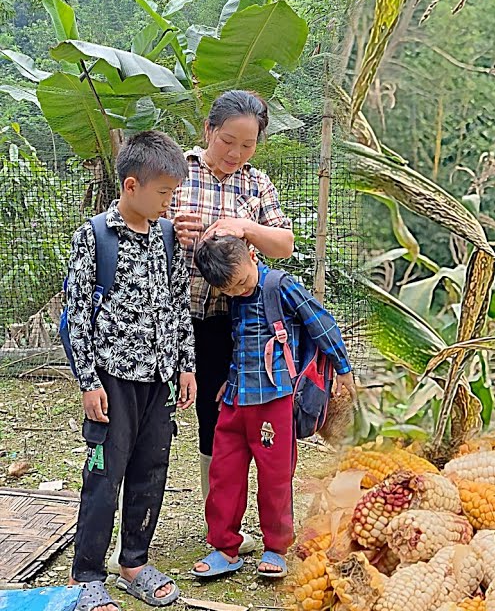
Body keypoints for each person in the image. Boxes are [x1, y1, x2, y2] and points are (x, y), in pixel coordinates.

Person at [63, 131, 197, 611]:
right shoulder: (94, 237)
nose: (169, 202)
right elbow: (77, 314)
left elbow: (178, 303)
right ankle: (88, 575)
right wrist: (88, 382)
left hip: (159, 379)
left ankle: (135, 562)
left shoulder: (166, 238)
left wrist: (185, 366)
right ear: (132, 185)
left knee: (151, 471)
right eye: (163, 193)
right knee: (104, 473)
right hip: (113, 381)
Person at [167, 89, 295, 555]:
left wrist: (245, 228)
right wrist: (170, 230)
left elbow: (284, 244)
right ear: (208, 131)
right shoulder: (177, 171)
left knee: (228, 417)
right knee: (187, 417)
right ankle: (211, 523)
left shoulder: (256, 184)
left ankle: (231, 525)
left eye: (247, 144)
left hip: (236, 323)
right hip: (178, 319)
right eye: (227, 141)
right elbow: (137, 225)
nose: (236, 153)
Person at [187, 233, 355, 579]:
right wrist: (228, 379)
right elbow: (238, 342)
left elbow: (321, 323)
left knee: (275, 477)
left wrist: (343, 369)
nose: (238, 292)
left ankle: (276, 547)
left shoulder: (280, 285)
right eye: (229, 290)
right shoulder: (234, 292)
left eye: (242, 283)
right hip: (235, 400)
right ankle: (224, 547)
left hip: (275, 399)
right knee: (223, 474)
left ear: (252, 255)